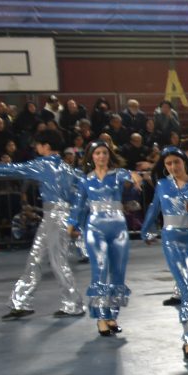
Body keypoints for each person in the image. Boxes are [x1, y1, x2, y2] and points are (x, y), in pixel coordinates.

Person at [0, 130, 84, 320]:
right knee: (36, 258)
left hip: (54, 216)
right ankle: (20, 302)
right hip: (57, 216)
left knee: (57, 261)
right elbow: (80, 194)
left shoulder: (42, 165)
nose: (36, 148)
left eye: (38, 145)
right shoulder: (68, 168)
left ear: (45, 146)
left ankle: (73, 304)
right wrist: (75, 220)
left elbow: (10, 170)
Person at [141, 147, 188, 362]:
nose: (173, 167)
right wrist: (146, 230)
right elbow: (154, 208)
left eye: (176, 162)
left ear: (184, 161)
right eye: (168, 164)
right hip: (172, 241)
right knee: (187, 290)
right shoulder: (163, 185)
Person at [67, 140, 144, 336]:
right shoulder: (86, 180)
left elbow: (133, 176)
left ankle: (112, 316)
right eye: (97, 153)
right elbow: (78, 204)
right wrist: (72, 223)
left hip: (118, 228)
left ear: (109, 155)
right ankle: (101, 317)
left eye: (104, 153)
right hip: (95, 228)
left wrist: (136, 176)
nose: (101, 156)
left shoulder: (118, 175)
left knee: (118, 272)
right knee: (100, 270)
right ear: (91, 157)